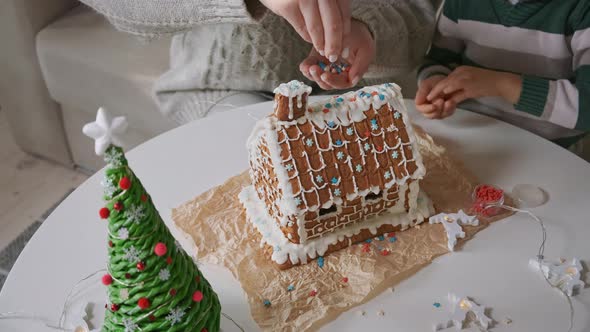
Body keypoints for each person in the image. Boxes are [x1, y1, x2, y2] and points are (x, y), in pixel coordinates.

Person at [80, 0, 439, 124]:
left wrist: (368, 31)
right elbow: (123, 9)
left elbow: (424, 16)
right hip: (222, 93)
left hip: (362, 104)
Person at [415, 0, 589, 151]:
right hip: (472, 133)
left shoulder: (582, 9)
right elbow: (440, 60)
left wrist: (502, 85)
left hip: (554, 147)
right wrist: (436, 82)